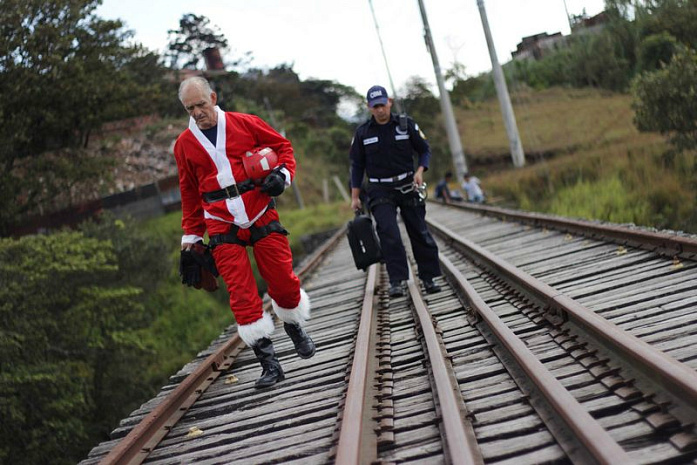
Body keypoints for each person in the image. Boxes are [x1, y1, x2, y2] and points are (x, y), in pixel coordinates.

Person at [174, 76, 315, 389]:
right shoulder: (184, 145)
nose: (197, 112)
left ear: (213, 97)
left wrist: (282, 175)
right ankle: (269, 364)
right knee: (240, 292)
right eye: (190, 108)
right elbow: (188, 193)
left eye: (201, 104)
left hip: (260, 208)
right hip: (220, 221)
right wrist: (191, 239)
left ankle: (294, 326)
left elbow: (283, 147)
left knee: (281, 278)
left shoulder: (246, 123)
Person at [349, 85, 441, 298]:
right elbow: (356, 166)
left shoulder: (405, 125)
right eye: (375, 107)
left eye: (382, 104)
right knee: (389, 234)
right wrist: (355, 196)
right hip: (380, 189)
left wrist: (420, 170)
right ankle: (397, 280)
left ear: (389, 102)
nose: (380, 110)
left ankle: (428, 277)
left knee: (419, 231)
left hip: (408, 184)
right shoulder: (363, 133)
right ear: (369, 107)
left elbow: (424, 149)